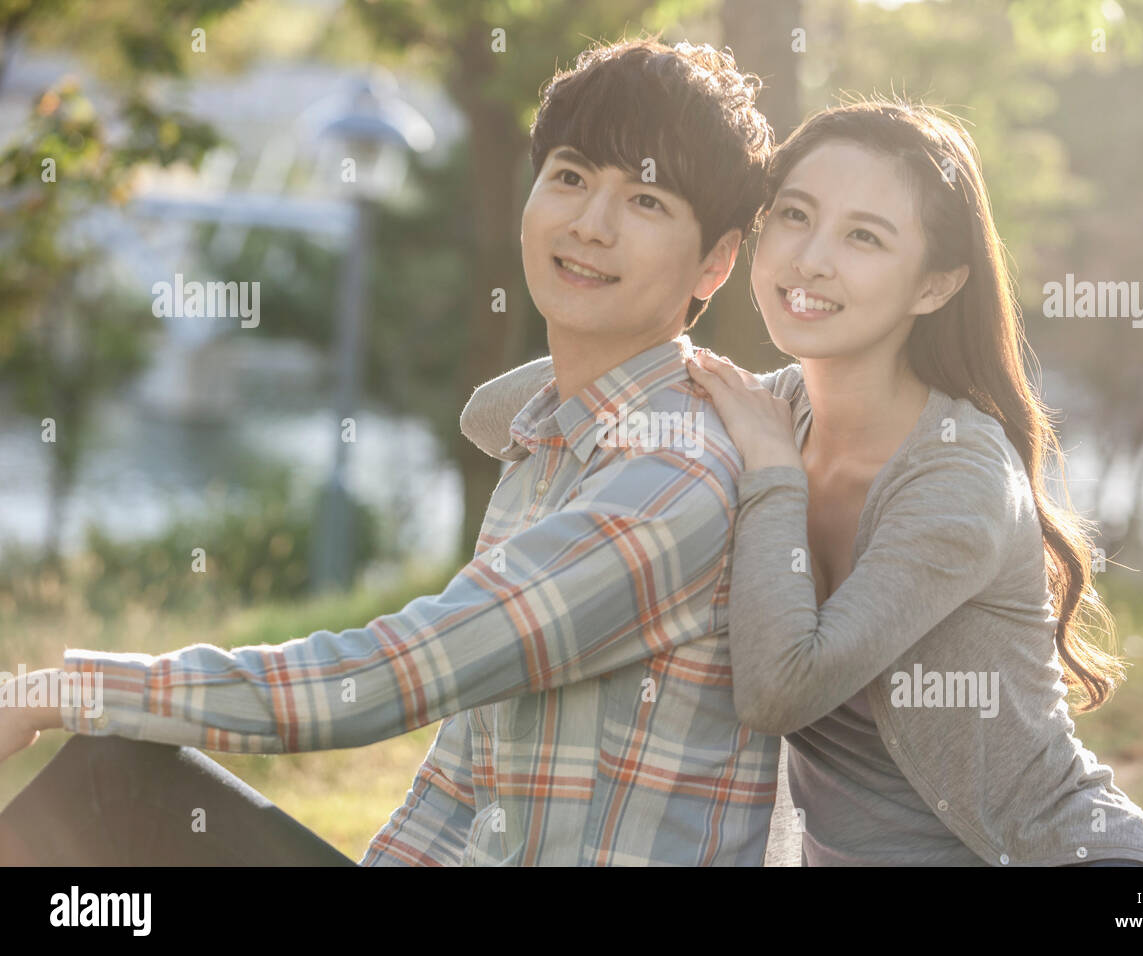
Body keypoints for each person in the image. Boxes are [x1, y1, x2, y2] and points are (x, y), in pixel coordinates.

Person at [0, 36, 782, 867]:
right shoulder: (552, 439)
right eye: (571, 178)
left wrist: (64, 689)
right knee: (116, 786)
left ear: (716, 263)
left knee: (110, 787)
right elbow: (457, 787)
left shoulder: (672, 475)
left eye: (646, 202)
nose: (591, 224)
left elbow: (385, 676)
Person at [458, 96, 1143, 867]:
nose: (811, 259)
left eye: (864, 237)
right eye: (795, 216)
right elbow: (490, 417)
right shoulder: (765, 408)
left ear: (935, 285)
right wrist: (652, 333)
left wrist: (774, 473)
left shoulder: (957, 475)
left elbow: (780, 691)